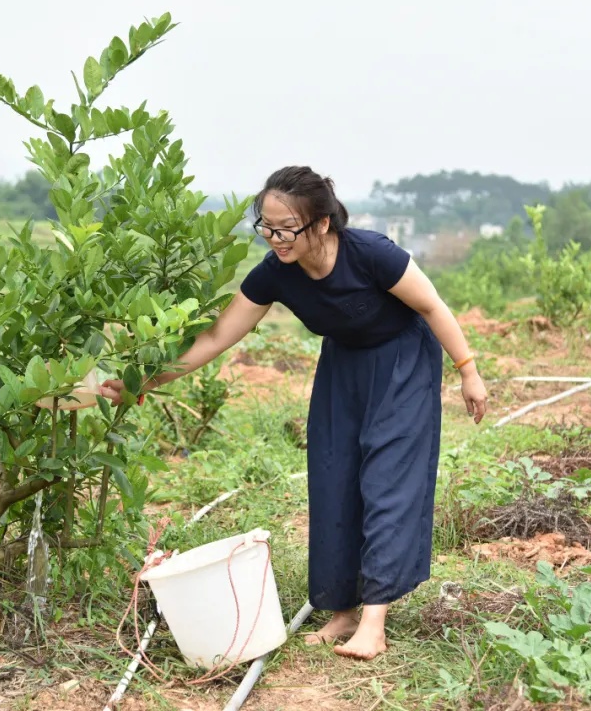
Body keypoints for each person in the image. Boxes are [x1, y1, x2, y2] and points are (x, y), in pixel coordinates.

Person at [100, 166, 488, 661]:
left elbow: (432, 306)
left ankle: (374, 624)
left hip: (401, 362)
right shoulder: (275, 273)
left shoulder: (371, 254)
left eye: (286, 228)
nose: (275, 238)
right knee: (333, 476)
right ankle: (342, 611)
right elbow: (216, 338)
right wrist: (144, 383)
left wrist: (468, 370)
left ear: (321, 223)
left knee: (388, 478)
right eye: (266, 226)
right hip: (343, 366)